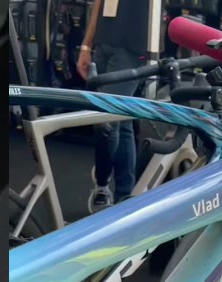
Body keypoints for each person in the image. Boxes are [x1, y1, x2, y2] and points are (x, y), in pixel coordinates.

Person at [76, 0, 149, 214]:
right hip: (104, 40)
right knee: (121, 121)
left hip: (133, 45)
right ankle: (124, 195)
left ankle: (102, 180)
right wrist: (86, 45)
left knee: (107, 120)